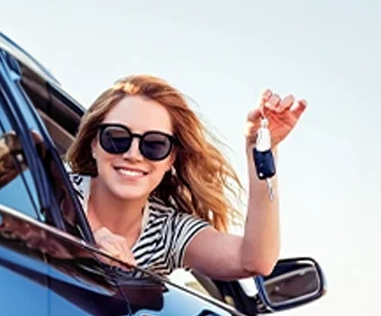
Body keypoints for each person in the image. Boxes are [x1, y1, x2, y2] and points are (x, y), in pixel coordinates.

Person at [66, 75, 307, 281]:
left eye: (155, 144)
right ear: (94, 144)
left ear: (171, 158)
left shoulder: (168, 232)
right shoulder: (54, 190)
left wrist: (261, 149)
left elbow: (255, 261)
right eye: (117, 137)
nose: (133, 154)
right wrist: (77, 244)